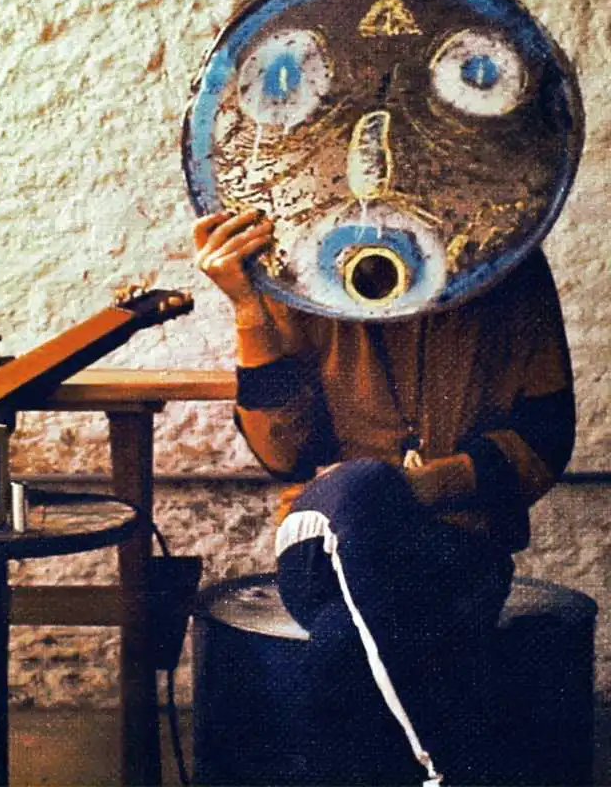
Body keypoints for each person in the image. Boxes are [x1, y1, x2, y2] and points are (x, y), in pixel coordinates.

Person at [194, 207, 576, 787]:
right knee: (363, 485)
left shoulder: (509, 263)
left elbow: (545, 440)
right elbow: (285, 457)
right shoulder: (295, 262)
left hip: (457, 551)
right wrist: (249, 308)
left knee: (345, 641)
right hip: (321, 548)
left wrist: (417, 487)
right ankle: (445, 764)